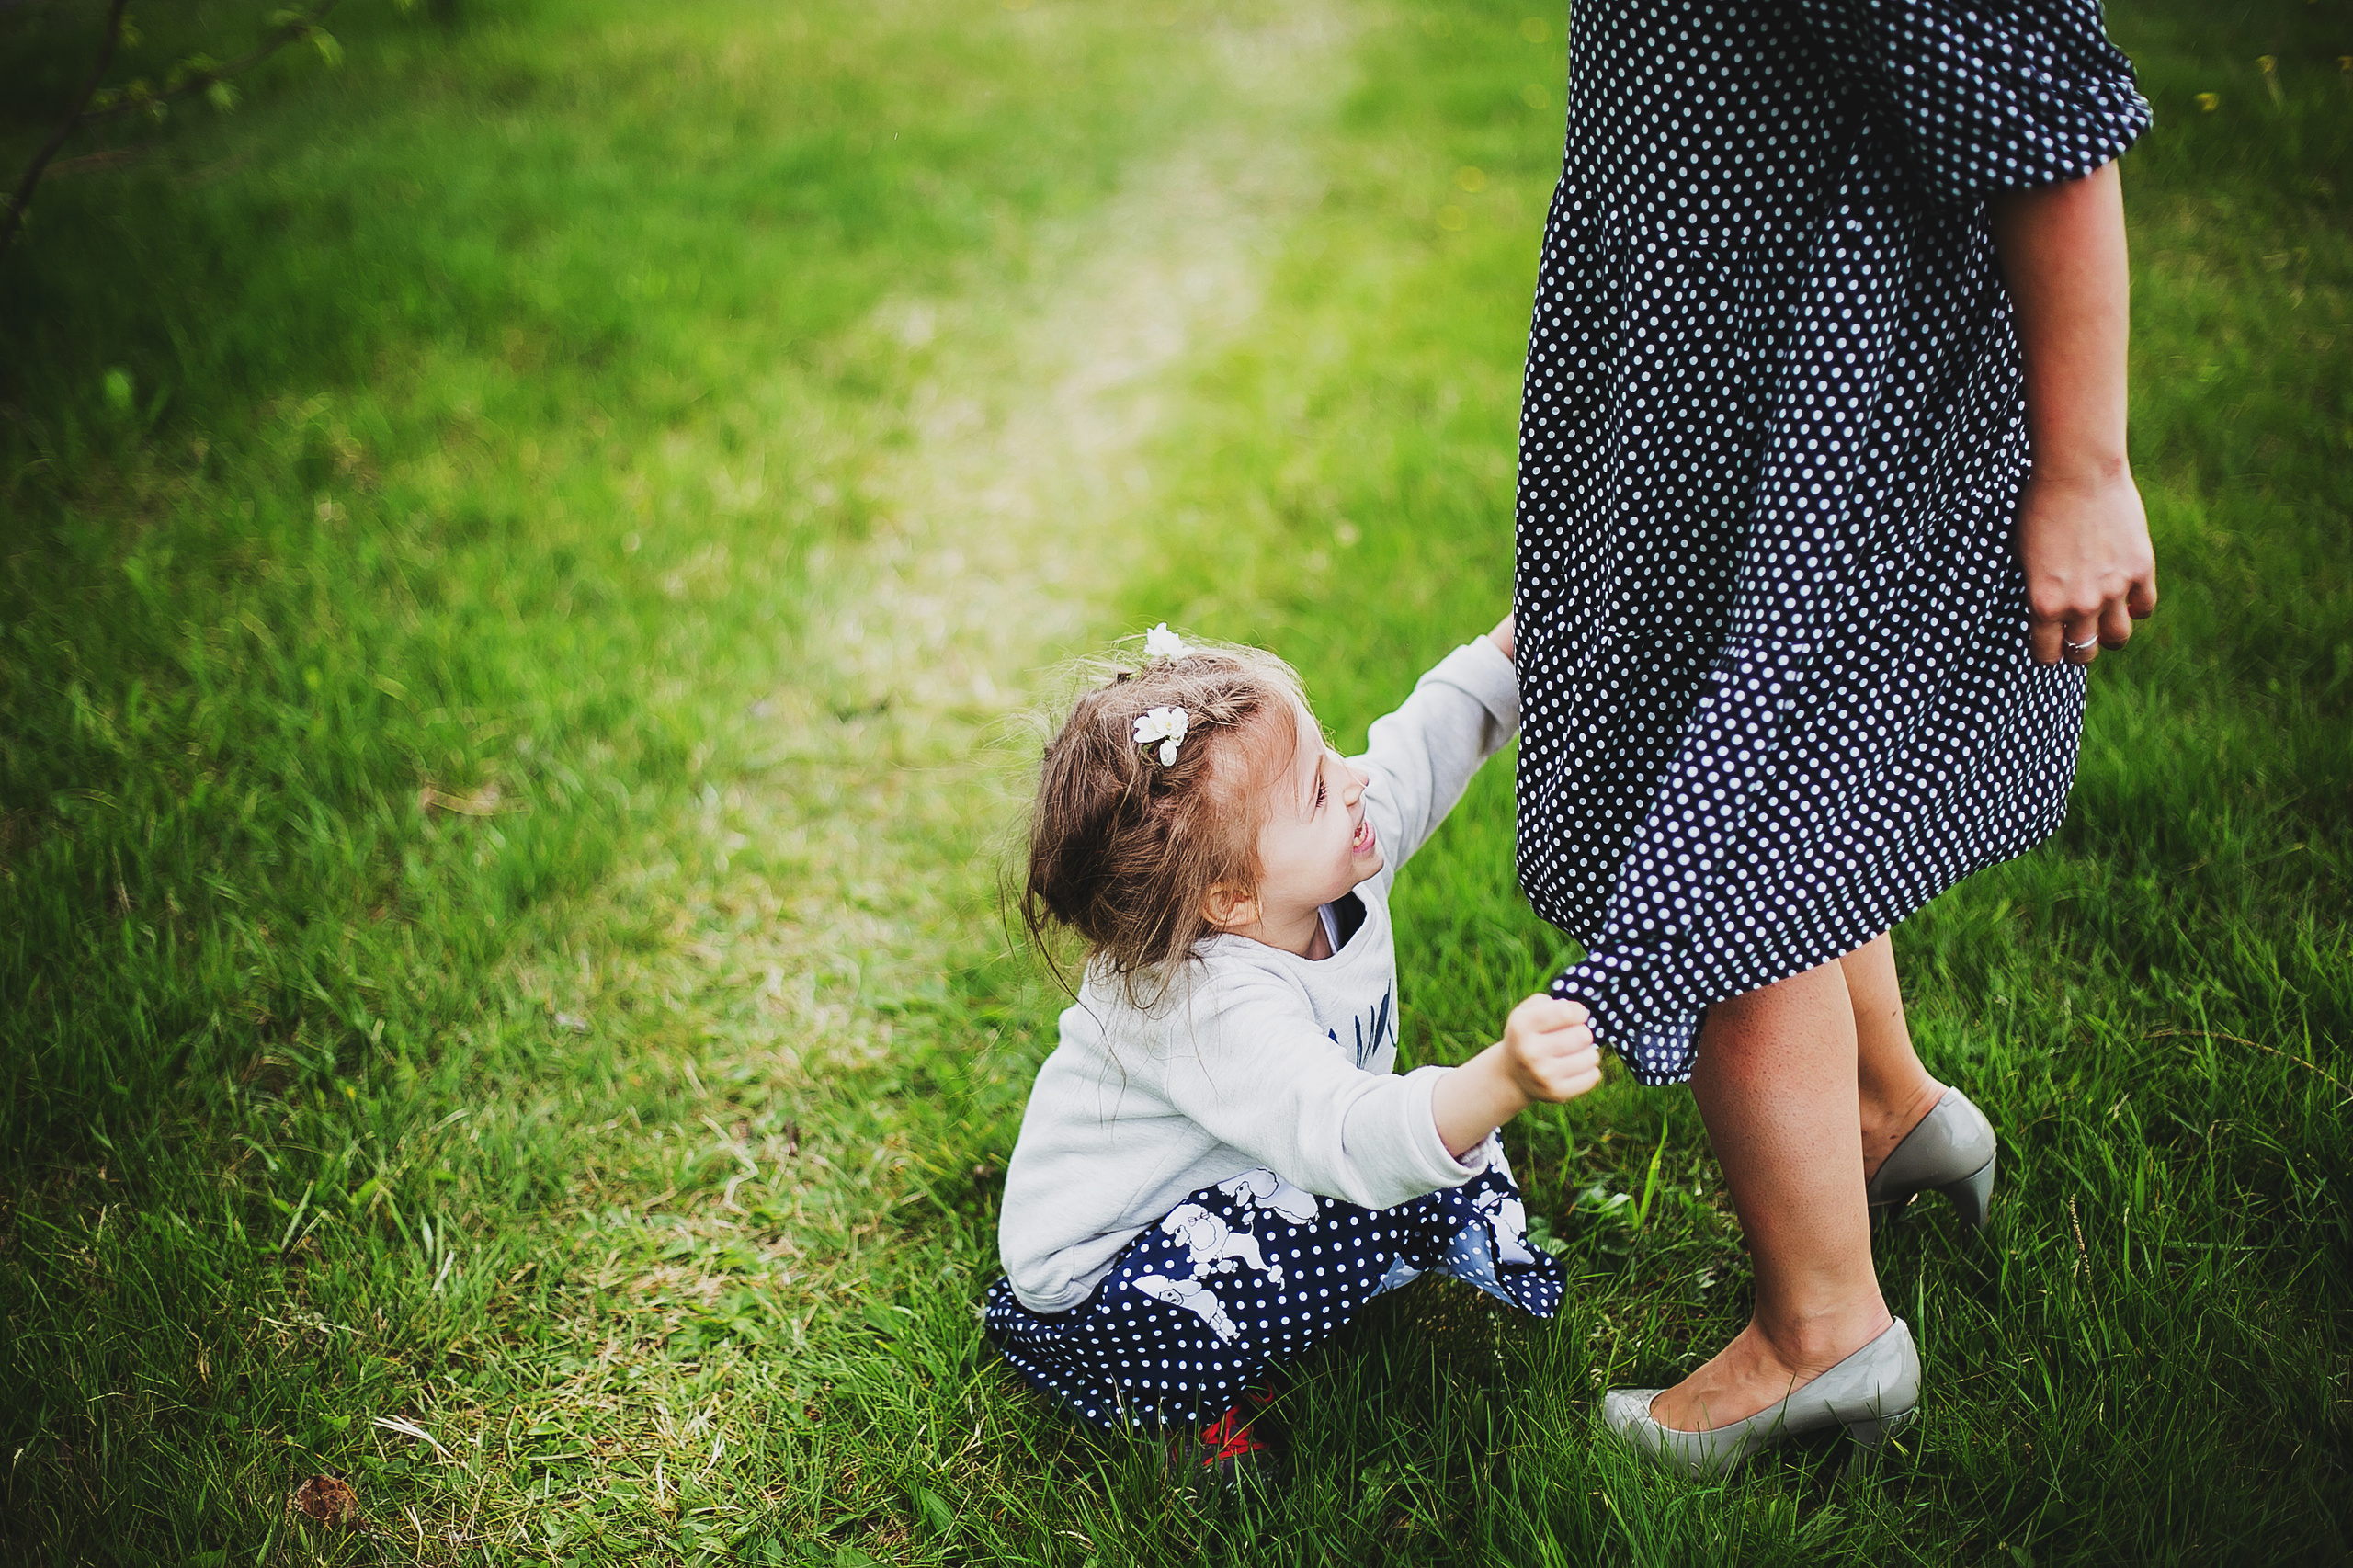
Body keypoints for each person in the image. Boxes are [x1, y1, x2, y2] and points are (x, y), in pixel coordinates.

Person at [1509, 1, 2160, 1475]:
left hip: (1815, 390)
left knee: (1734, 841)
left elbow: (2040, 110)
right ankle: (1883, 1109)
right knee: (1793, 782)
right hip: (1710, 355)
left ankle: (1824, 1336)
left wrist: (2086, 467)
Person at [984, 619, 1601, 1485]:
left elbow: (1424, 743)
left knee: (1387, 1177)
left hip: (1221, 1186)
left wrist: (1516, 642)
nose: (1354, 783)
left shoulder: (1318, 863)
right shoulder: (1209, 1006)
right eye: (1317, 788)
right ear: (1230, 897)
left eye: (1331, 754)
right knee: (1364, 1183)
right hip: (1105, 1282)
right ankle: (1178, 1413)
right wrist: (1499, 1078)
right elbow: (1344, 1136)